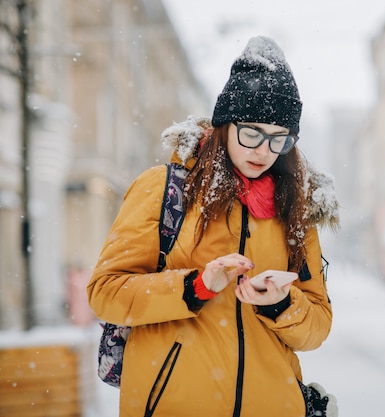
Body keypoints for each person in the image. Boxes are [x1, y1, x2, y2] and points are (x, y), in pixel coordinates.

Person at [87, 36, 339, 417]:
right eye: (251, 132)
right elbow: (106, 293)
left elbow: (317, 327)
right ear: (224, 125)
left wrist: (281, 303)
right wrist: (195, 287)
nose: (263, 151)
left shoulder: (293, 211)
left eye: (278, 139)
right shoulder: (165, 189)